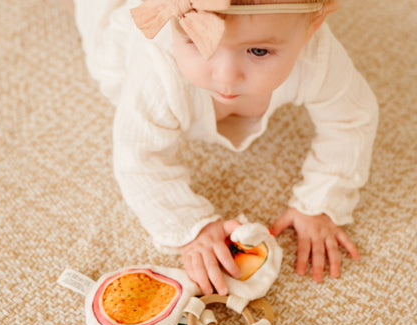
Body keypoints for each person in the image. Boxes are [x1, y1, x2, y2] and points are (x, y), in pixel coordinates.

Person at [70, 0, 379, 295]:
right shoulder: (156, 68)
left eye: (258, 50)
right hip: (119, 37)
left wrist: (322, 199)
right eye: (198, 40)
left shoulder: (317, 55)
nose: (225, 75)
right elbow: (139, 156)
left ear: (313, 25)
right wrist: (190, 227)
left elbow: (352, 120)